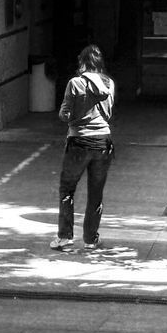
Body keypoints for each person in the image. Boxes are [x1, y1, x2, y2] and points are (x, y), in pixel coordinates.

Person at [51, 44, 115, 252]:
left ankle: (65, 237)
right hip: (103, 142)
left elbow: (64, 114)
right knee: (96, 193)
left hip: (79, 142)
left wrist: (75, 117)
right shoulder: (109, 84)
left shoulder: (75, 83)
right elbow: (108, 115)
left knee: (67, 189)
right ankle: (90, 239)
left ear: (82, 63)